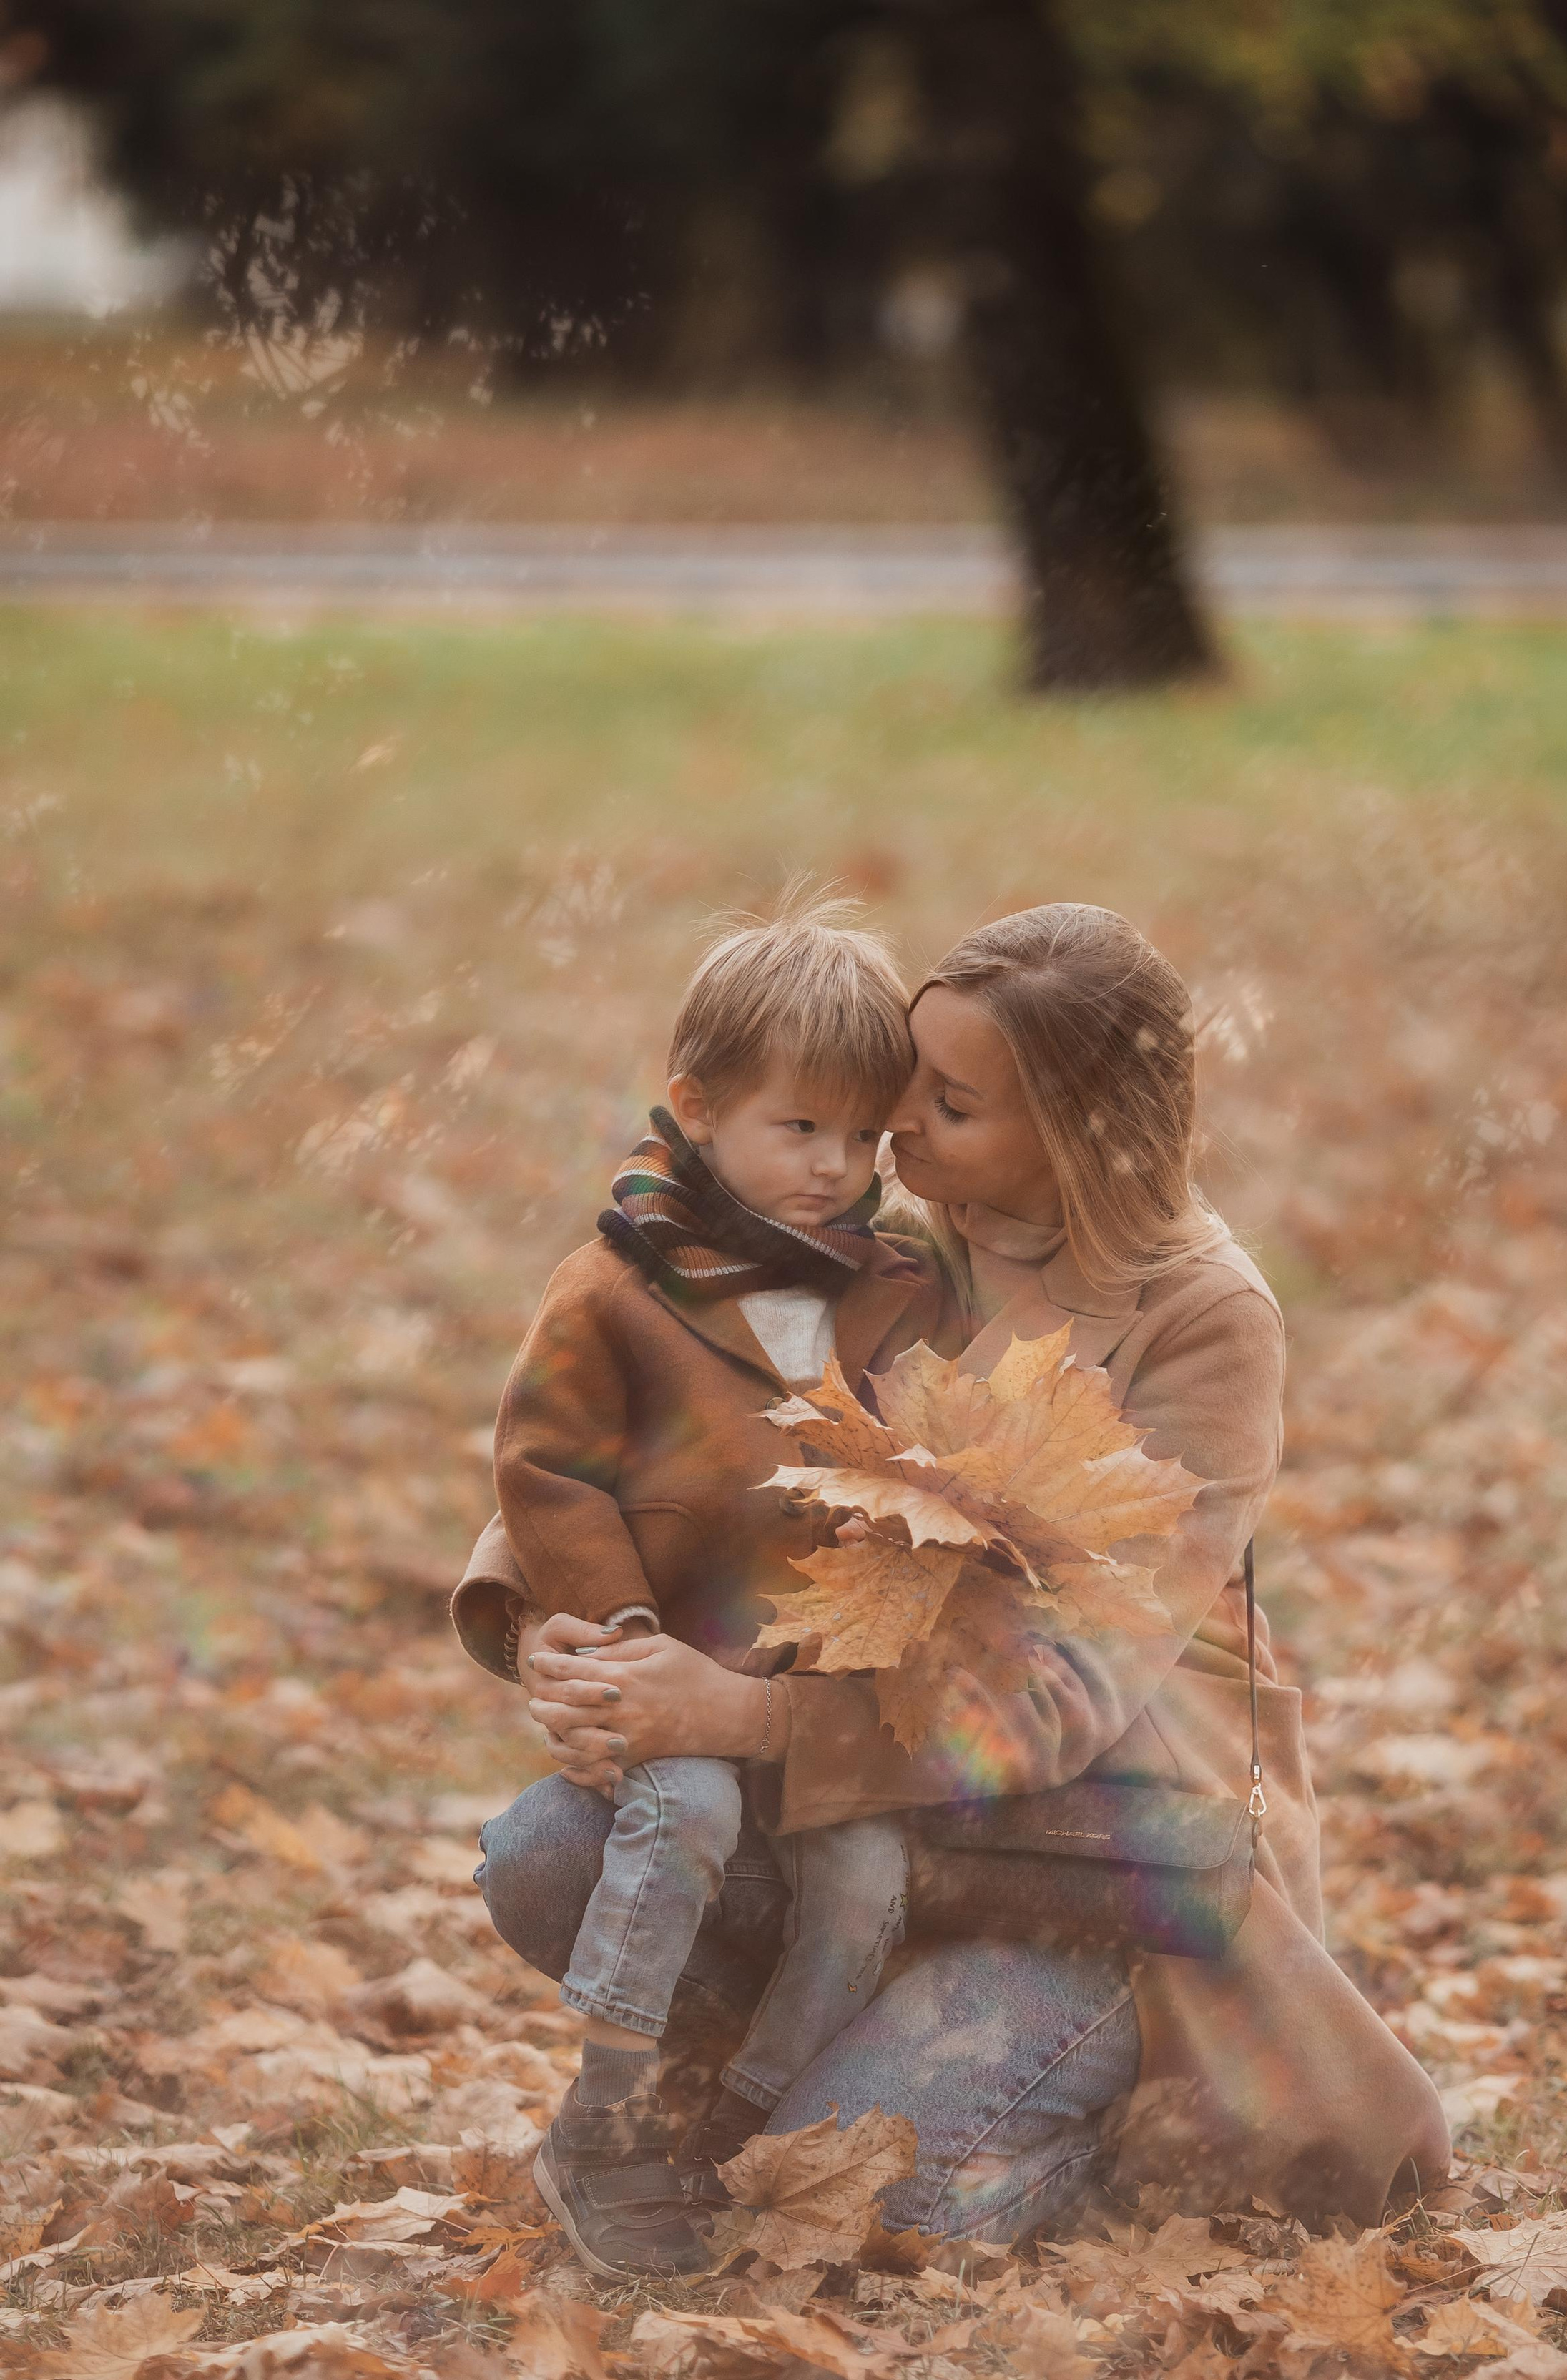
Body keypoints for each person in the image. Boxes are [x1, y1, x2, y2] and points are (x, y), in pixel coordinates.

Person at [458, 903, 1449, 2243]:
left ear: (1078, 1133)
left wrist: (742, 1716)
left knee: (879, 2200)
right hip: (857, 1821)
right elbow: (648, 1386)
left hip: (1071, 1861)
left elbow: (1059, 1698)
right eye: (903, 1082)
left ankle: (1093, 2126)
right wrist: (558, 1635)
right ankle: (762, 2082)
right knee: (549, 1852)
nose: (893, 1125)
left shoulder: (1202, 1321)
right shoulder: (893, 1224)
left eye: (947, 1103)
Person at [486, 909, 950, 2277]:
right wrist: (613, 1640)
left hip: (818, 1687)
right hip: (672, 1657)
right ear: (697, 1109)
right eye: (800, 1129)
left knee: (862, 1878)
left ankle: (746, 2112)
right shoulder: (616, 1286)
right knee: (679, 1813)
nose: (838, 1169)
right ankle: (611, 2117)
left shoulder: (900, 1289)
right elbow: (547, 1470)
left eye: (866, 1139)